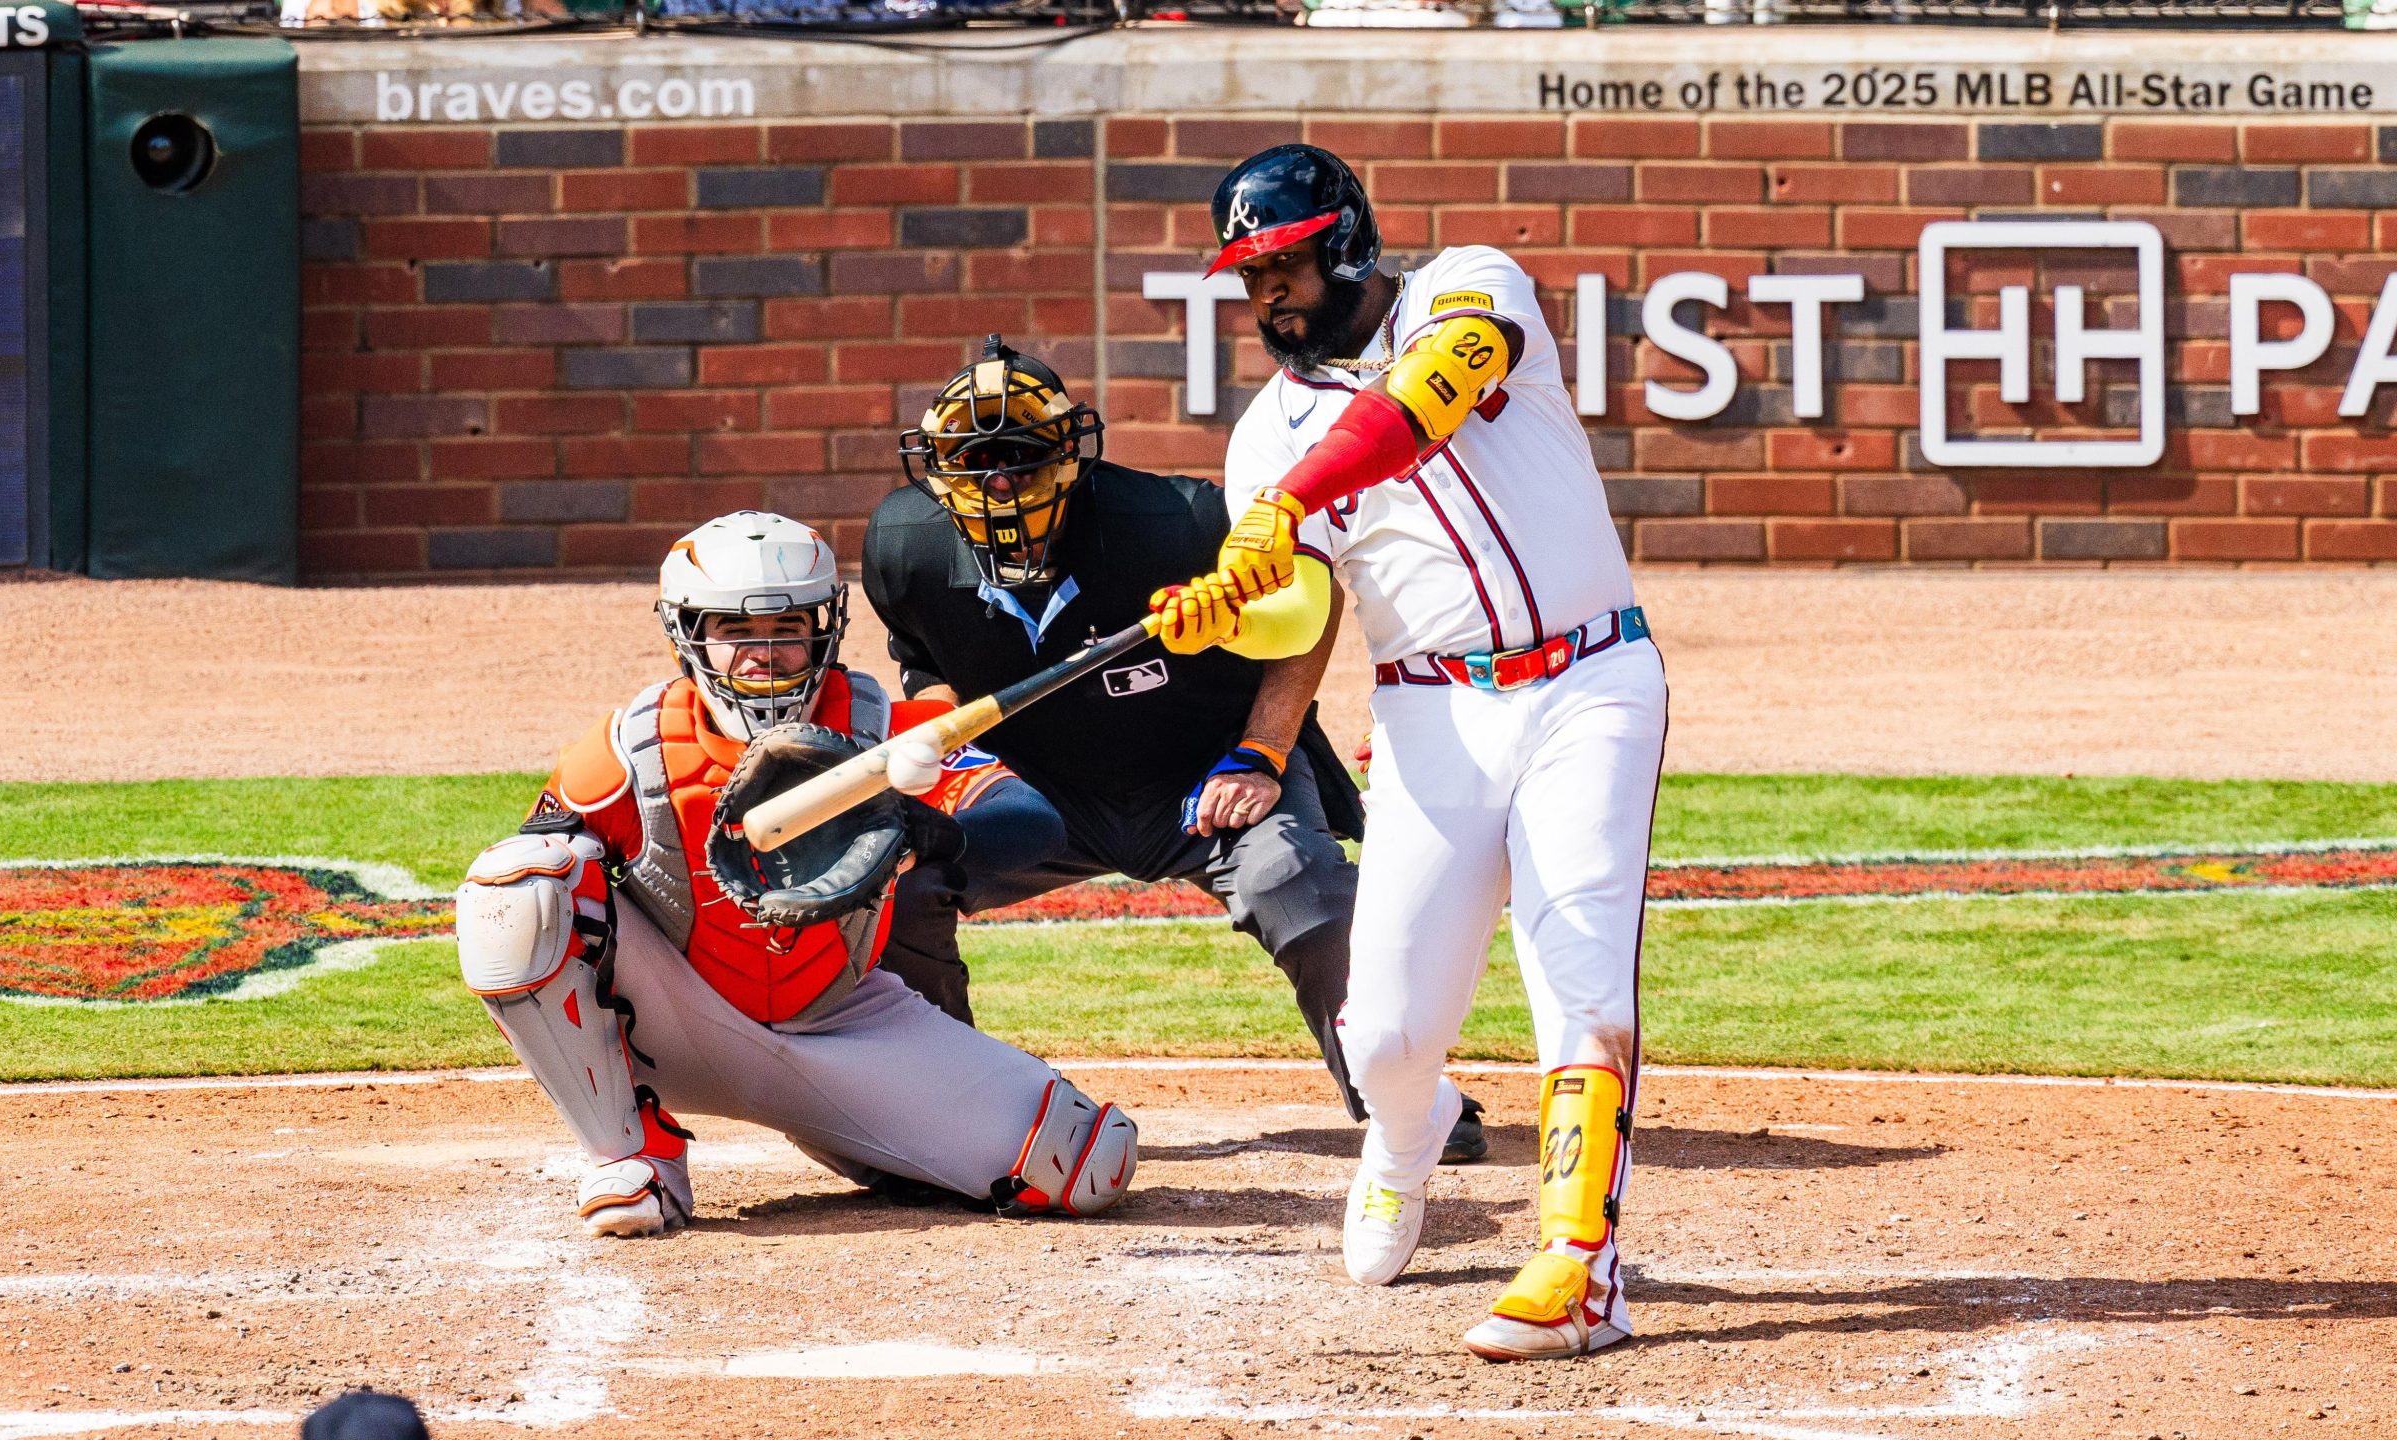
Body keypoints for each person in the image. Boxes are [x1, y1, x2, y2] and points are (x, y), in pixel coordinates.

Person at [1170, 144, 1668, 1361]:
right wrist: (1227, 608)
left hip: (1590, 677)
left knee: (1582, 972)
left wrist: (1286, 507)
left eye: (1280, 265)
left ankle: (1577, 1266)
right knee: (1383, 1031)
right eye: (1247, 276)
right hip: (1429, 713)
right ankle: (1404, 1136)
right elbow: (1301, 608)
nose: (1264, 297)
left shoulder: (1470, 286)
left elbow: (1415, 409)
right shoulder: (1265, 436)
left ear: (1342, 243)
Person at [861, 336, 1488, 1164]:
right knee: (895, 878)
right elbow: (930, 664)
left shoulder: (1177, 521)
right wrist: (948, 747)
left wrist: (1264, 750)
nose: (998, 482)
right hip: (1043, 792)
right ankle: (943, 1104)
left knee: (1293, 878)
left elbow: (1310, 599)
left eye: (1018, 456)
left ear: (1072, 457)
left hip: (1206, 770)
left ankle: (1397, 1098)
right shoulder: (903, 546)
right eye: (972, 461)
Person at [454, 510, 1135, 1236]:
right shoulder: (633, 749)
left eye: (788, 630)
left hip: (844, 1019)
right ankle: (631, 1155)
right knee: (516, 884)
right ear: (689, 635)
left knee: (1085, 1162)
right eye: (735, 632)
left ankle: (855, 1134)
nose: (764, 653)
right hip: (672, 1018)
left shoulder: (882, 731)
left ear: (826, 628)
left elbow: (1031, 821)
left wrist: (934, 832)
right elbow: (529, 901)